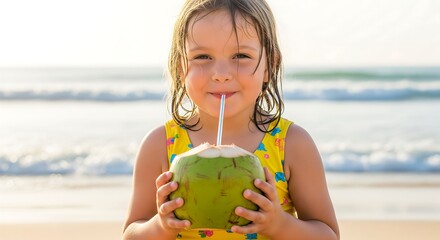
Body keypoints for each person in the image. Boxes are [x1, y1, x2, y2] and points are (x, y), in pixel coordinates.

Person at [122, 0, 339, 239]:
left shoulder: (291, 144)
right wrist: (161, 226)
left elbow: (327, 234)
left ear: (269, 65)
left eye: (241, 55)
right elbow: (132, 234)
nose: (222, 74)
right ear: (180, 67)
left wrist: (278, 224)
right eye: (202, 56)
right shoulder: (160, 145)